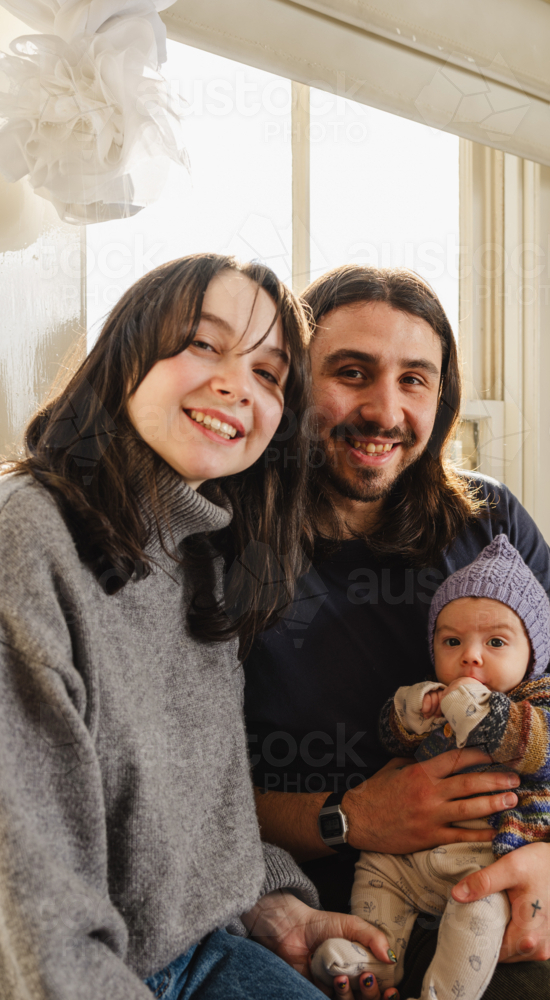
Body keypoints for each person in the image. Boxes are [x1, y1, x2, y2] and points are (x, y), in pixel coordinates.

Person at [246, 263, 550, 999]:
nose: (386, 410)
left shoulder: (487, 519)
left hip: (542, 849)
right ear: (293, 384)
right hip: (384, 898)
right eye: (352, 373)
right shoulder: (225, 547)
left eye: (415, 379)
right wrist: (347, 817)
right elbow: (192, 789)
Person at [0, 254, 392, 1000]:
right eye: (203, 344)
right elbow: (31, 917)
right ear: (126, 357)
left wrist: (272, 905)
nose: (235, 385)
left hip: (207, 955)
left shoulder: (202, 555)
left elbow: (202, 799)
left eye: (270, 373)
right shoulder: (27, 538)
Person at [312, 534, 550, 1000]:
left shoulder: (544, 698)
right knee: (374, 874)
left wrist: (487, 713)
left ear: (532, 653)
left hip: (485, 865)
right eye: (452, 640)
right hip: (407, 859)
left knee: (475, 918)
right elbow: (393, 738)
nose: (470, 656)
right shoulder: (439, 694)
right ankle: (376, 958)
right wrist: (411, 711)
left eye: (495, 641)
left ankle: (440, 994)